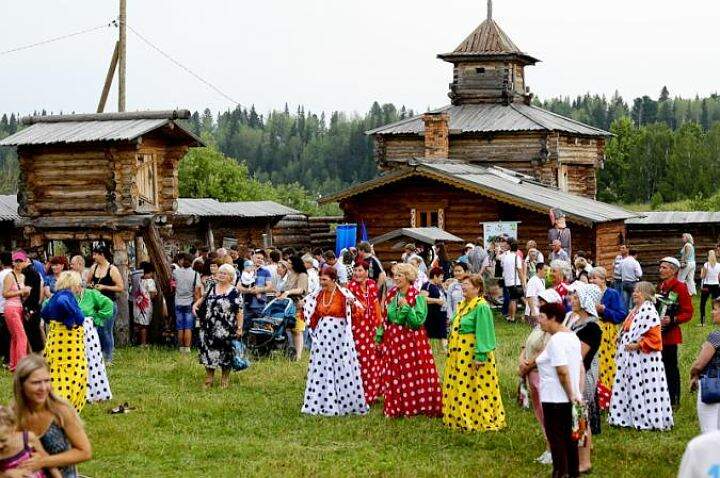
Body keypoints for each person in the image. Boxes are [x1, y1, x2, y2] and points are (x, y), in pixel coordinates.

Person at [377, 263, 442, 418]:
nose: (396, 278)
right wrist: (380, 336)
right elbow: (386, 317)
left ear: (408, 277)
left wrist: (406, 307)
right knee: (395, 372)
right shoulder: (392, 294)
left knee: (412, 373)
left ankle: (415, 407)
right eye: (395, 275)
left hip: (412, 341)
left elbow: (417, 322)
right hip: (394, 340)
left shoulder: (417, 296)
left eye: (400, 275)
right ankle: (397, 407)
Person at [301, 267, 368, 416]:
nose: (321, 282)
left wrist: (351, 305)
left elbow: (360, 310)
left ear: (333, 279)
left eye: (324, 279)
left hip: (339, 338)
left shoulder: (344, 294)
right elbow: (312, 313)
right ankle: (321, 401)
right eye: (320, 279)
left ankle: (345, 402)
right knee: (322, 366)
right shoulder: (318, 295)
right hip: (322, 338)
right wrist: (303, 308)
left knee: (341, 366)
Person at [443, 274, 505, 431]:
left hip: (473, 354)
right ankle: (461, 416)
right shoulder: (463, 304)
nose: (463, 286)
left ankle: (479, 418)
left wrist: (480, 355)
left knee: (477, 386)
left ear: (477, 288)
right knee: (463, 386)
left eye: (467, 284)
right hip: (459, 354)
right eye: (462, 284)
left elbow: (484, 333)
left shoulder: (481, 306)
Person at [12, 354, 92, 477]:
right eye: (36, 383)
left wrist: (43, 462)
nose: (43, 388)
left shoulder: (61, 411)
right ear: (21, 385)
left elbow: (84, 452)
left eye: (47, 381)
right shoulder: (12, 415)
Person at [609, 281, 673, 430]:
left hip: (645, 360)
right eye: (634, 291)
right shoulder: (635, 310)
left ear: (646, 294)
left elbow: (656, 339)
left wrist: (637, 345)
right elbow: (628, 329)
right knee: (630, 386)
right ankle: (626, 417)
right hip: (631, 358)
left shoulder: (649, 311)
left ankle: (647, 419)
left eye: (638, 291)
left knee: (645, 388)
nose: (634, 294)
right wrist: (621, 336)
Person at [536, 301, 583, 478]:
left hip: (555, 398)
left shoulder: (556, 341)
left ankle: (560, 473)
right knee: (570, 439)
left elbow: (562, 371)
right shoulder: (572, 337)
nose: (539, 321)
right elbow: (579, 368)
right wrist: (577, 393)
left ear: (553, 318)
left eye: (542, 317)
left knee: (556, 440)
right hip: (569, 397)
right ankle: (572, 473)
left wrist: (571, 394)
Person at [519, 288, 562, 466]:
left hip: (543, 373)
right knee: (540, 412)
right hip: (532, 373)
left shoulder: (554, 327)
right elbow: (527, 343)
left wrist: (529, 365)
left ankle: (555, 449)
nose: (539, 306)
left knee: (549, 413)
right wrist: (521, 360)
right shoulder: (540, 323)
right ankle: (549, 447)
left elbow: (547, 350)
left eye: (543, 303)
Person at [565, 283, 602, 474]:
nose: (572, 299)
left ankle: (584, 461)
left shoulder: (592, 328)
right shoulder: (575, 321)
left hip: (583, 375)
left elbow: (578, 355)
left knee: (580, 418)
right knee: (580, 417)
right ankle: (584, 449)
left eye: (577, 297)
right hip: (573, 373)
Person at [40, 272, 87, 413]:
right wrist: (73, 317)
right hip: (68, 344)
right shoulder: (66, 296)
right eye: (79, 284)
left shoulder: (55, 296)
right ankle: (64, 406)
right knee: (74, 373)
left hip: (55, 340)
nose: (80, 288)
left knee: (55, 372)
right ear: (73, 284)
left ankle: (52, 403)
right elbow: (67, 307)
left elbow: (44, 312)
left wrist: (60, 320)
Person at [193, 264, 243, 389]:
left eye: (224, 273)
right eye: (220, 272)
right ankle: (209, 378)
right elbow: (203, 298)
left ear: (231, 277)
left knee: (226, 354)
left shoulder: (235, 291)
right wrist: (195, 305)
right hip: (209, 327)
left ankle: (225, 378)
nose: (221, 275)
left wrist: (240, 328)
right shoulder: (211, 286)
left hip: (226, 329)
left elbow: (239, 311)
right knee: (208, 353)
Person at [589, 267, 627, 411]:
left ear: (603, 279)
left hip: (607, 333)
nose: (592, 281)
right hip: (592, 330)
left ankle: (609, 397)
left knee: (606, 363)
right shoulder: (589, 293)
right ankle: (594, 395)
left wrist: (604, 310)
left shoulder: (612, 294)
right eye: (591, 278)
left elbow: (621, 314)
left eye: (595, 278)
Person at [72, 273, 114, 404]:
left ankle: (95, 393)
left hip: (88, 334)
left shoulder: (91, 294)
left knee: (91, 361)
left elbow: (108, 304)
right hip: (71, 334)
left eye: (73, 286)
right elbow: (48, 306)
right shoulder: (67, 297)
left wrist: (96, 318)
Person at [658, 256, 694, 407]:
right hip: (657, 334)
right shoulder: (662, 286)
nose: (661, 270)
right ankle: (662, 397)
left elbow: (688, 312)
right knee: (660, 367)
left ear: (673, 270)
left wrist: (672, 320)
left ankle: (674, 400)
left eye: (664, 267)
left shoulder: (680, 287)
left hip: (670, 335)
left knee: (671, 368)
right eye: (660, 267)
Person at [347, 261, 383, 405]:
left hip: (372, 328)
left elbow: (376, 306)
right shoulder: (350, 287)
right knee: (360, 360)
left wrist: (380, 325)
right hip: (357, 329)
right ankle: (358, 393)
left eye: (360, 270)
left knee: (373, 360)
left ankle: (372, 392)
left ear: (367, 272)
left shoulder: (372, 285)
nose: (357, 273)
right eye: (355, 270)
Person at [86, 245, 123, 365]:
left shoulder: (112, 269)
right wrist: (91, 286)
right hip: (96, 304)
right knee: (98, 330)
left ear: (102, 254)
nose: (94, 257)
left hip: (108, 303)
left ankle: (108, 357)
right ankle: (100, 353)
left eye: (96, 254)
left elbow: (120, 287)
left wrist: (104, 287)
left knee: (106, 330)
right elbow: (88, 282)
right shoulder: (94, 267)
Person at [0, 405, 61, 478]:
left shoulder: (28, 438)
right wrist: (6, 475)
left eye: (3, 440)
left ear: (13, 428)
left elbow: (47, 460)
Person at [690, 297, 720, 433]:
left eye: (715, 309)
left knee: (709, 430)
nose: (712, 313)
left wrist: (693, 375)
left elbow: (699, 364)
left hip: (713, 386)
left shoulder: (716, 337)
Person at [3, 251, 31, 372]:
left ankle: (14, 364)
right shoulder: (9, 276)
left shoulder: (23, 276)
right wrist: (22, 291)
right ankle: (21, 365)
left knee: (16, 337)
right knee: (21, 336)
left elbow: (22, 296)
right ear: (13, 262)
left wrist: (26, 293)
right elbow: (5, 294)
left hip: (19, 307)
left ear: (25, 262)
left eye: (21, 261)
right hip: (11, 308)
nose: (18, 264)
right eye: (16, 261)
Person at [277, 256, 308, 361]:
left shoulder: (302, 275)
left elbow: (300, 289)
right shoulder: (290, 275)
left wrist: (288, 292)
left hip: (298, 305)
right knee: (290, 329)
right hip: (289, 305)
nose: (288, 264)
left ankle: (298, 356)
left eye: (290, 263)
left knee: (298, 330)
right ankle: (291, 351)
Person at [173, 253, 202, 353]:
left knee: (180, 327)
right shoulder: (195, 274)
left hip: (178, 301)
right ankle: (187, 348)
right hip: (190, 302)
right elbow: (197, 290)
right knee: (188, 326)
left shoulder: (175, 272)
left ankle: (181, 348)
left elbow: (172, 285)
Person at [420, 267, 448, 350]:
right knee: (433, 336)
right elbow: (422, 298)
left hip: (441, 314)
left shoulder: (439, 286)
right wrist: (437, 301)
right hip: (432, 316)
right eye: (441, 277)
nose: (442, 279)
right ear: (435, 276)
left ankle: (444, 351)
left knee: (443, 334)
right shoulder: (427, 286)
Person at [132, 262, 156, 347]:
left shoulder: (137, 279)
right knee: (144, 325)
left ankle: (136, 340)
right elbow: (152, 294)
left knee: (139, 324)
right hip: (146, 305)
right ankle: (143, 343)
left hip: (137, 304)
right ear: (150, 272)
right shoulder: (150, 281)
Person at [501, 240, 525, 323]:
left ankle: (511, 317)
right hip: (515, 282)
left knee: (512, 299)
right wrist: (523, 283)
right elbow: (520, 271)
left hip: (508, 281)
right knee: (516, 299)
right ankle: (513, 318)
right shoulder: (516, 257)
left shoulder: (505, 256)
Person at [700, 250, 720, 326]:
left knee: (703, 304)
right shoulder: (719, 265)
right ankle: (715, 322)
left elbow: (702, 276)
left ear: (708, 256)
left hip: (707, 285)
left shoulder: (706, 264)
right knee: (716, 304)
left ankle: (703, 322)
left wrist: (702, 272)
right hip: (716, 285)